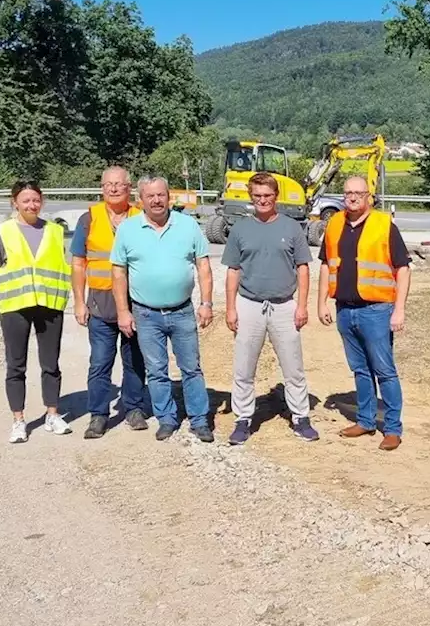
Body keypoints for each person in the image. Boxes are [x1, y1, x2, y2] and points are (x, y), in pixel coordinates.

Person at [109, 176, 216, 443]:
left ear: (169, 197)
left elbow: (203, 266)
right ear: (140, 200)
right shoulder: (128, 229)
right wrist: (123, 311)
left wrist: (206, 303)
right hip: (146, 313)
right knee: (156, 370)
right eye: (150, 196)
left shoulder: (188, 225)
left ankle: (199, 420)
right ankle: (167, 419)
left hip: (182, 311)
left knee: (191, 367)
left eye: (161, 195)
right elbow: (118, 273)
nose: (156, 200)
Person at [316, 175, 412, 451]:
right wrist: (321, 302)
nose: (353, 197)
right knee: (360, 370)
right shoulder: (334, 224)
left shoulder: (384, 225)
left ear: (369, 195)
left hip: (377, 311)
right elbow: (326, 265)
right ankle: (366, 421)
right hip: (345, 310)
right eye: (348, 193)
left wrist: (399, 310)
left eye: (359, 193)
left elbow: (402, 269)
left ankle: (392, 429)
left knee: (384, 371)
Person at [223, 172, 318, 445]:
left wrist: (301, 306)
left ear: (276, 196)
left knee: (293, 367)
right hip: (249, 304)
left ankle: (301, 417)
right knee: (244, 367)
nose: (263, 200)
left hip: (284, 306)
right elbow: (233, 271)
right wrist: (230, 308)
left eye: (267, 195)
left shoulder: (291, 228)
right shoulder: (241, 229)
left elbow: (303, 269)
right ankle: (242, 420)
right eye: (257, 196)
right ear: (251, 197)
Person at [0, 179, 73, 444]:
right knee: (16, 365)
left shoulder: (56, 231)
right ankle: (19, 420)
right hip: (15, 307)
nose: (31, 205)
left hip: (49, 305)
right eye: (25, 200)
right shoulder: (2, 232)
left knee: (51, 364)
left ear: (42, 201)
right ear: (15, 202)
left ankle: (52, 414)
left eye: (35, 200)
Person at [70, 166, 149, 439]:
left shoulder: (142, 217)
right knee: (100, 363)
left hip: (136, 302)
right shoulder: (88, 219)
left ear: (130, 188)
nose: (114, 189)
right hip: (101, 305)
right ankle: (99, 415)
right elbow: (79, 264)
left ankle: (134, 408)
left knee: (135, 361)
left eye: (119, 184)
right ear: (102, 188)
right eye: (108, 184)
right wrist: (79, 302)